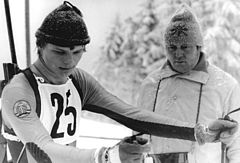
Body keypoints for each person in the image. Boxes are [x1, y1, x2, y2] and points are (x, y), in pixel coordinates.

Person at [0, 1, 238, 163]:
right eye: (59, 51)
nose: (69, 61)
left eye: (77, 51)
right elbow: (43, 150)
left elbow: (129, 114)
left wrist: (199, 133)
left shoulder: (77, 80)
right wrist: (108, 156)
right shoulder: (19, 91)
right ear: (40, 46)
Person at [136, 3, 240, 163]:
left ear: (198, 47)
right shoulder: (150, 85)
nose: (178, 53)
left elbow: (237, 145)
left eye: (185, 47)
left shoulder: (226, 86)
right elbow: (138, 139)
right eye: (172, 47)